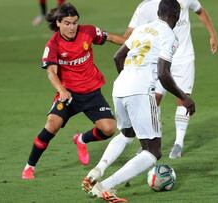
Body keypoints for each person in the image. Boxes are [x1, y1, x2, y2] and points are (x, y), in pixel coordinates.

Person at [81, 0, 195, 201]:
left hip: (120, 86)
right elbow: (163, 73)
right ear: (176, 16)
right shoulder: (170, 36)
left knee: (127, 133)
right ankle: (105, 186)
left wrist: (129, 79)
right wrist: (184, 98)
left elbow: (118, 57)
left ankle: (97, 171)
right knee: (152, 152)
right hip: (141, 90)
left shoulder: (142, 29)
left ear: (158, 12)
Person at [22, 3, 126, 180]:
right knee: (51, 125)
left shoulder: (88, 32)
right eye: (67, 23)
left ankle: (81, 139)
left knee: (108, 129)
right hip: (68, 95)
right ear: (58, 23)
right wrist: (62, 90)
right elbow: (51, 73)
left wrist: (134, 43)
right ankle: (29, 166)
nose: (72, 27)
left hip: (92, 91)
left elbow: (111, 38)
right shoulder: (53, 45)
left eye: (75, 22)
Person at [124, 0, 218, 159]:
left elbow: (200, 11)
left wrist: (213, 34)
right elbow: (130, 34)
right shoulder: (146, 6)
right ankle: (152, 143)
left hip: (184, 58)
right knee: (153, 100)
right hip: (159, 59)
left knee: (182, 99)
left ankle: (178, 143)